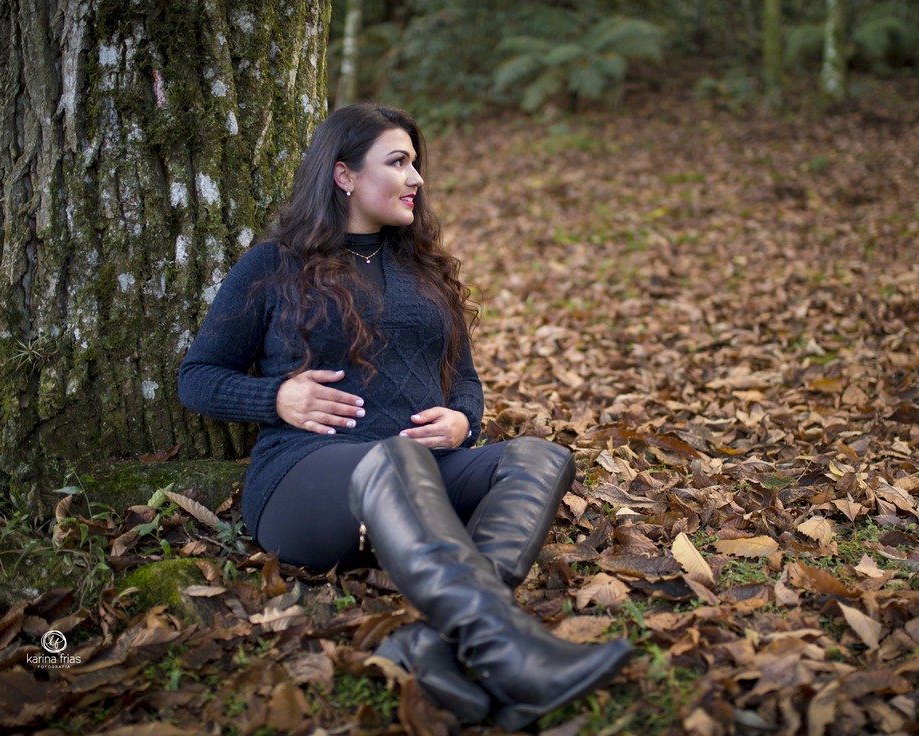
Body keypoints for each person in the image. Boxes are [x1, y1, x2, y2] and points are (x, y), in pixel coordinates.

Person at [177, 103, 631, 729]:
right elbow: (196, 377)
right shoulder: (272, 266)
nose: (416, 177)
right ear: (343, 176)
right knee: (396, 457)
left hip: (423, 479)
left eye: (416, 163)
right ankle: (513, 656)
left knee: (539, 455)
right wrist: (275, 397)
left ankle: (439, 644)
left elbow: (465, 382)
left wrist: (463, 423)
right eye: (398, 162)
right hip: (305, 483)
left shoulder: (425, 270)